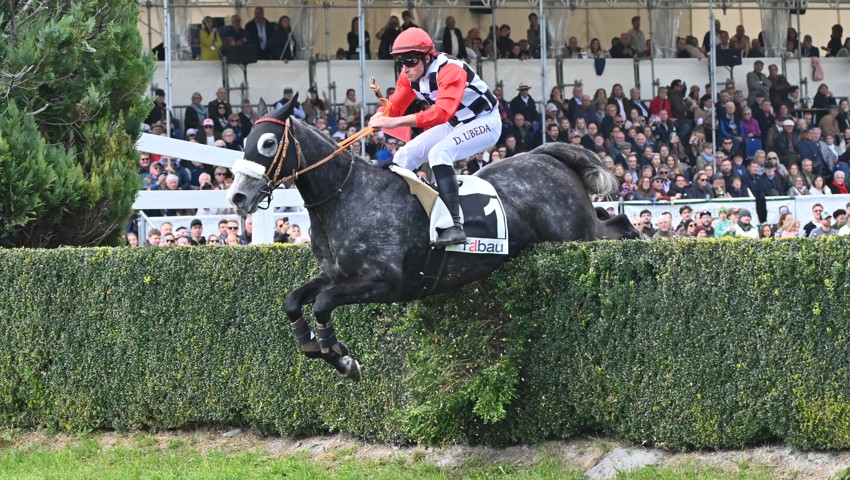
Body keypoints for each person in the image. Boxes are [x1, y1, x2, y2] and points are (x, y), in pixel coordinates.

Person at [368, 28, 500, 246]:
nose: (405, 69)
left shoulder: (451, 70)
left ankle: (454, 226)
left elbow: (441, 113)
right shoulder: (408, 76)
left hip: (485, 121)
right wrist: (379, 117)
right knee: (403, 156)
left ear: (427, 57)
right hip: (455, 123)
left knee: (439, 153)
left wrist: (393, 121)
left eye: (410, 61)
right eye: (401, 62)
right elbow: (395, 108)